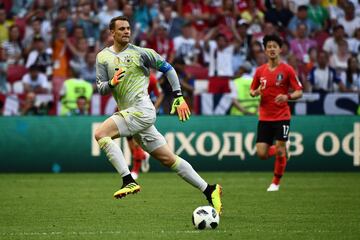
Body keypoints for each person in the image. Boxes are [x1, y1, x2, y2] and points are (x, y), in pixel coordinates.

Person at [94, 16, 222, 214]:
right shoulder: (102, 57)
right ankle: (209, 189)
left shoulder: (142, 53)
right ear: (112, 33)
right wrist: (111, 83)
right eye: (121, 29)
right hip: (132, 113)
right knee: (169, 159)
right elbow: (101, 88)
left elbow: (169, 69)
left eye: (128, 28)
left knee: (101, 133)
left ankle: (128, 179)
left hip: (142, 110)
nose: (126, 31)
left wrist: (178, 96)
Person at [250, 34, 303, 192]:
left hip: (282, 116)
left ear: (280, 49)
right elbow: (252, 91)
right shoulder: (260, 71)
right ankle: (283, 148)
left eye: (275, 46)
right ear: (265, 51)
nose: (272, 49)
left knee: (279, 149)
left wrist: (287, 96)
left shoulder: (287, 70)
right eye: (269, 47)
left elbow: (299, 91)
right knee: (262, 153)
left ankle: (275, 183)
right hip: (265, 117)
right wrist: (257, 91)